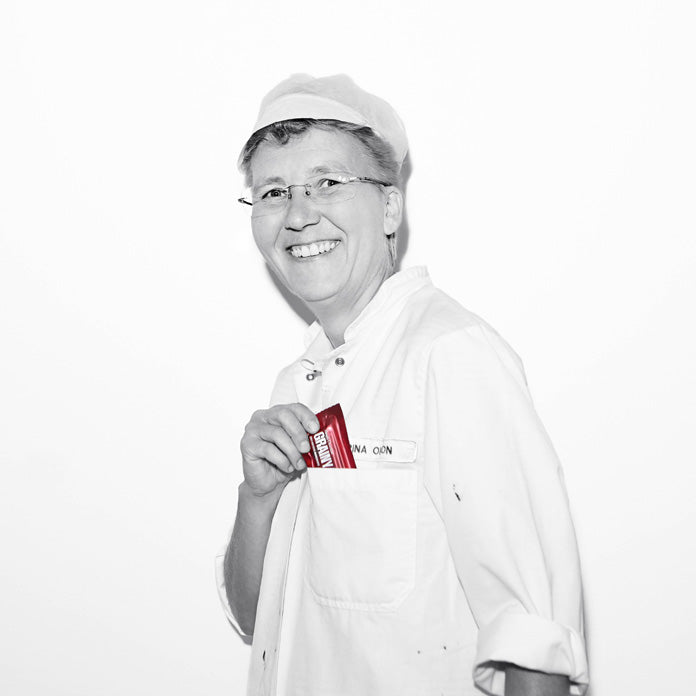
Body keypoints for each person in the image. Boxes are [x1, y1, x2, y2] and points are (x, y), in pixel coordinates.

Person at [216, 74, 589, 696]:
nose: (299, 215)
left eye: (328, 183)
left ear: (390, 208)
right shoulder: (297, 383)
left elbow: (533, 634)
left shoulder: (449, 355)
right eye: (274, 192)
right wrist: (257, 499)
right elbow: (258, 622)